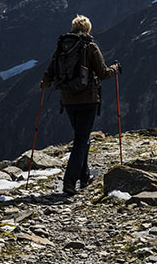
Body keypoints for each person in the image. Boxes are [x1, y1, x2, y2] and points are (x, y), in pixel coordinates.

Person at [41, 15, 120, 196]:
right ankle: (69, 182)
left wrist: (44, 83)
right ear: (88, 29)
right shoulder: (89, 47)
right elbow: (103, 73)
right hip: (88, 99)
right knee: (81, 139)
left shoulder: (62, 47)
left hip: (68, 100)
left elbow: (50, 72)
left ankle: (84, 176)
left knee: (81, 137)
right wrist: (115, 68)